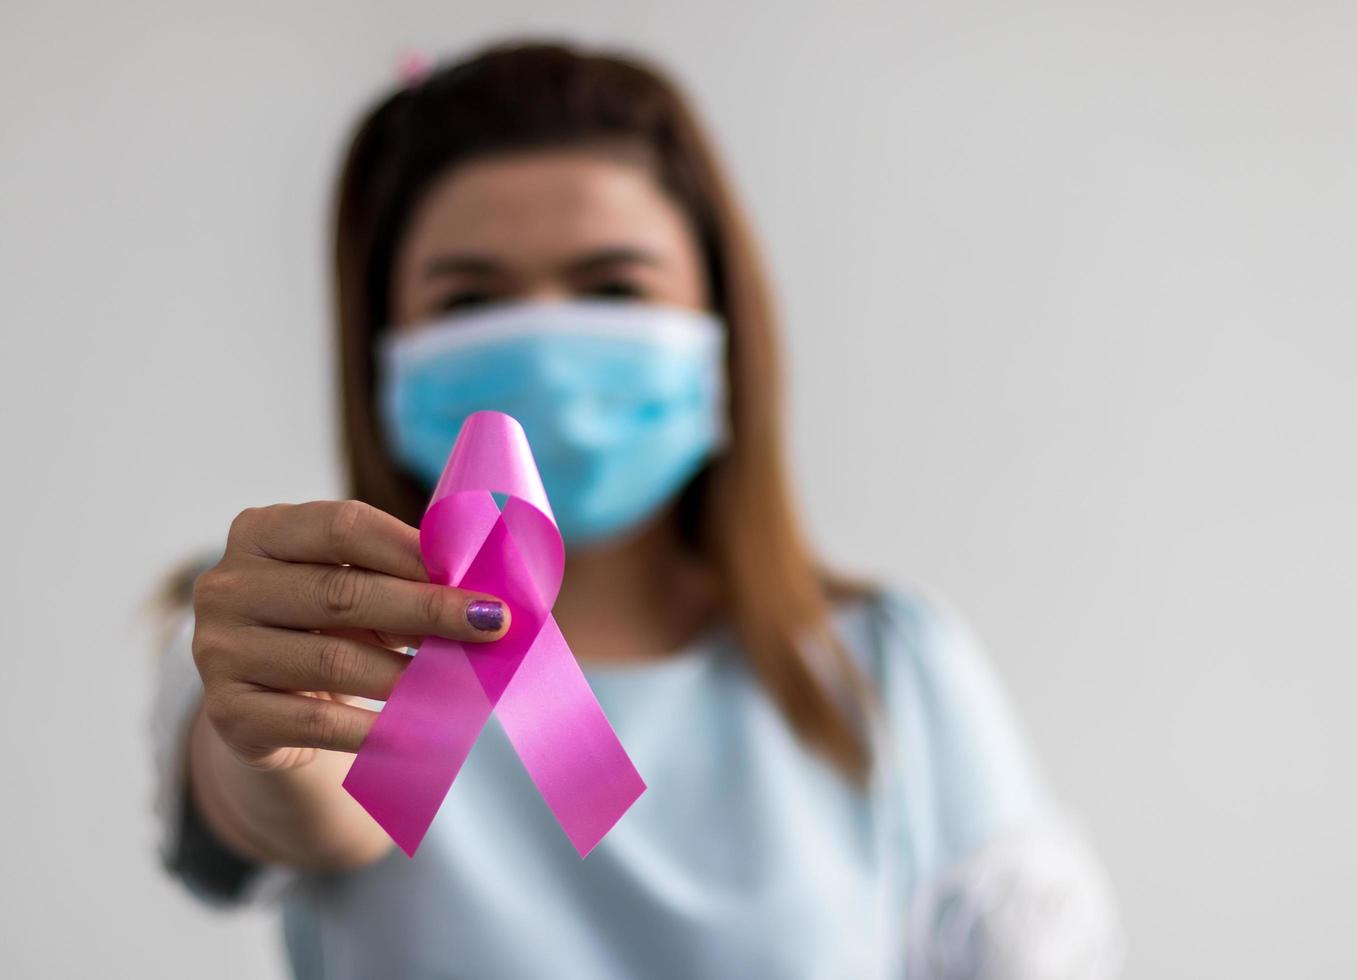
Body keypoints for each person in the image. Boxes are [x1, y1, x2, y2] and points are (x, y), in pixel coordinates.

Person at [151, 39, 1123, 980]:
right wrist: (267, 735)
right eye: (468, 301)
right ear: (383, 354)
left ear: (719, 330)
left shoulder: (890, 667)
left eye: (612, 287)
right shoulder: (301, 631)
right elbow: (295, 802)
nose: (547, 344)